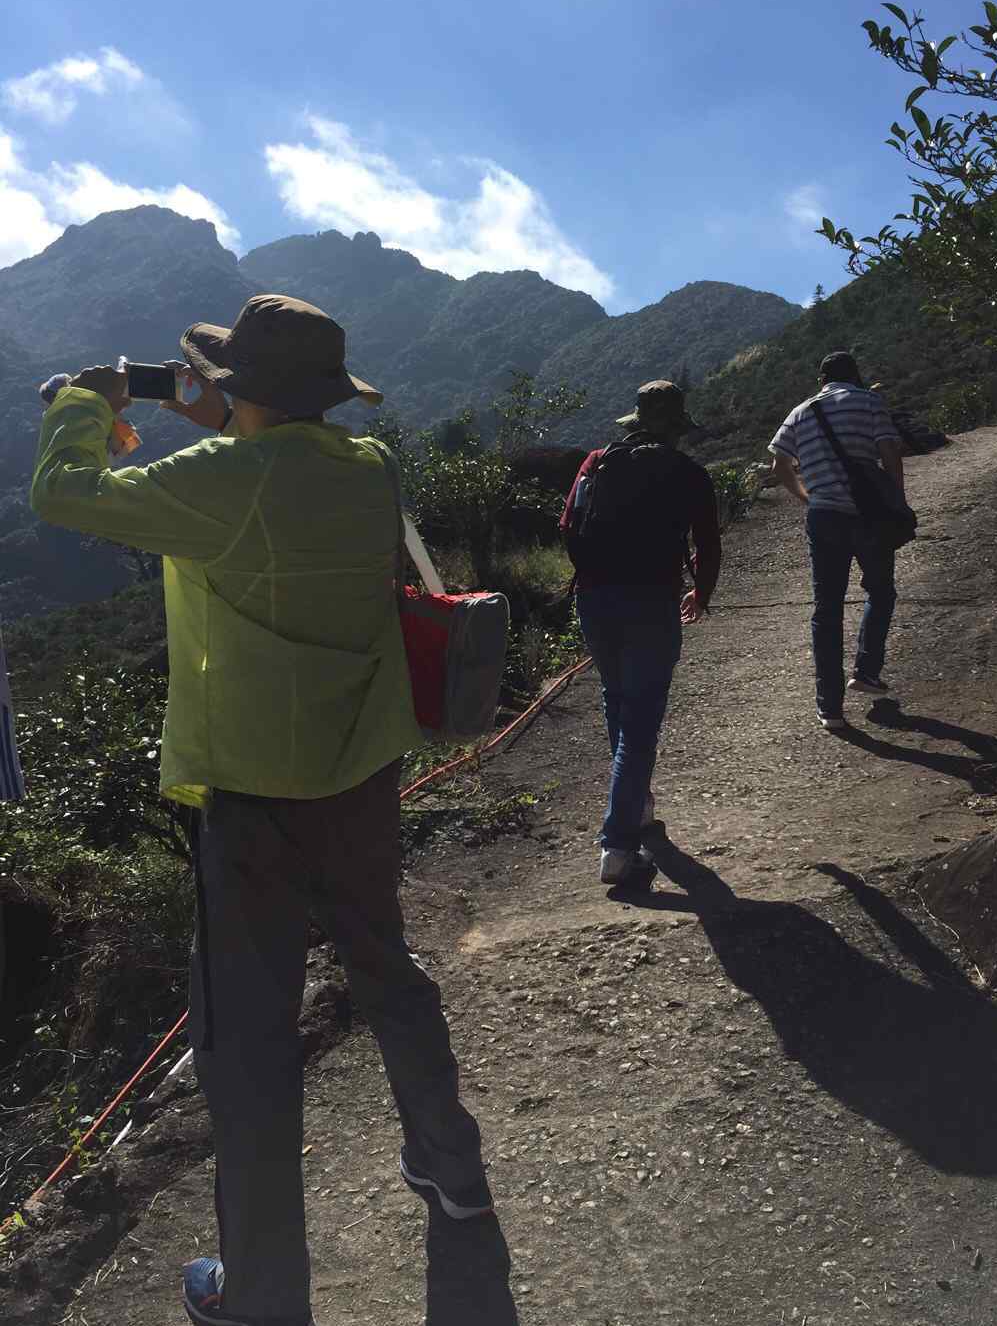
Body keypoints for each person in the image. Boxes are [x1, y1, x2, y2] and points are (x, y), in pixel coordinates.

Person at [31, 295, 490, 1326]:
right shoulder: (366, 468)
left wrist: (80, 405)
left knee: (248, 1042)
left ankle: (264, 1295)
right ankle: (453, 1169)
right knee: (389, 969)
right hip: (362, 773)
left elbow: (63, 491)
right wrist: (226, 416)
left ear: (242, 391)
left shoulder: (217, 482)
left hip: (249, 796)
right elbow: (274, 473)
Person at [561, 379, 721, 886]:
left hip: (596, 600)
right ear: (678, 428)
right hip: (652, 602)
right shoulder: (690, 474)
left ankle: (639, 806)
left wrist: (593, 580)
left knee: (617, 702)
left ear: (635, 422)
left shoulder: (596, 460)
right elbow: (708, 546)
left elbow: (568, 525)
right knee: (641, 724)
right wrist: (701, 593)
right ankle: (618, 845)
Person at [768, 351, 904, 731]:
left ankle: (830, 709)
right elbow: (890, 452)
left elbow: (779, 465)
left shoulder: (800, 412)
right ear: (856, 375)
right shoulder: (870, 401)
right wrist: (896, 500)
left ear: (821, 379)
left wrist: (807, 497)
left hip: (824, 517)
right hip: (869, 516)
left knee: (826, 609)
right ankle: (866, 670)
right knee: (880, 591)